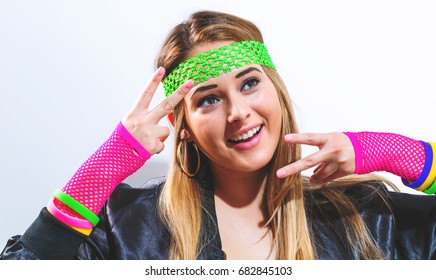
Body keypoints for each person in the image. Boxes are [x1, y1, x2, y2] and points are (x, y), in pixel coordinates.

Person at [1, 10, 435, 260]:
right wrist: (106, 165)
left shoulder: (366, 217)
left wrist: (403, 155)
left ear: (277, 94)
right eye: (209, 99)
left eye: (249, 84)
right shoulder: (125, 226)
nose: (238, 113)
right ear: (183, 129)